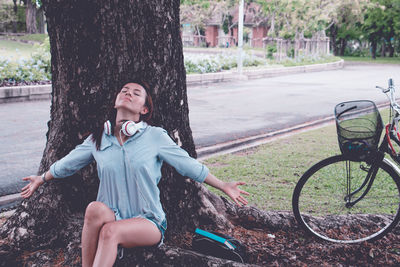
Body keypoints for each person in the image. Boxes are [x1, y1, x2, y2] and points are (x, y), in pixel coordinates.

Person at [20, 82, 250, 267]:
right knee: (93, 209)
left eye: (136, 93)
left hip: (147, 221)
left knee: (111, 231)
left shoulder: (155, 137)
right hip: (113, 214)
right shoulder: (99, 139)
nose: (128, 94)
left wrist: (223, 185)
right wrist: (42, 178)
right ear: (115, 101)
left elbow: (188, 165)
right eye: (124, 91)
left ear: (144, 109)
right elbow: (68, 163)